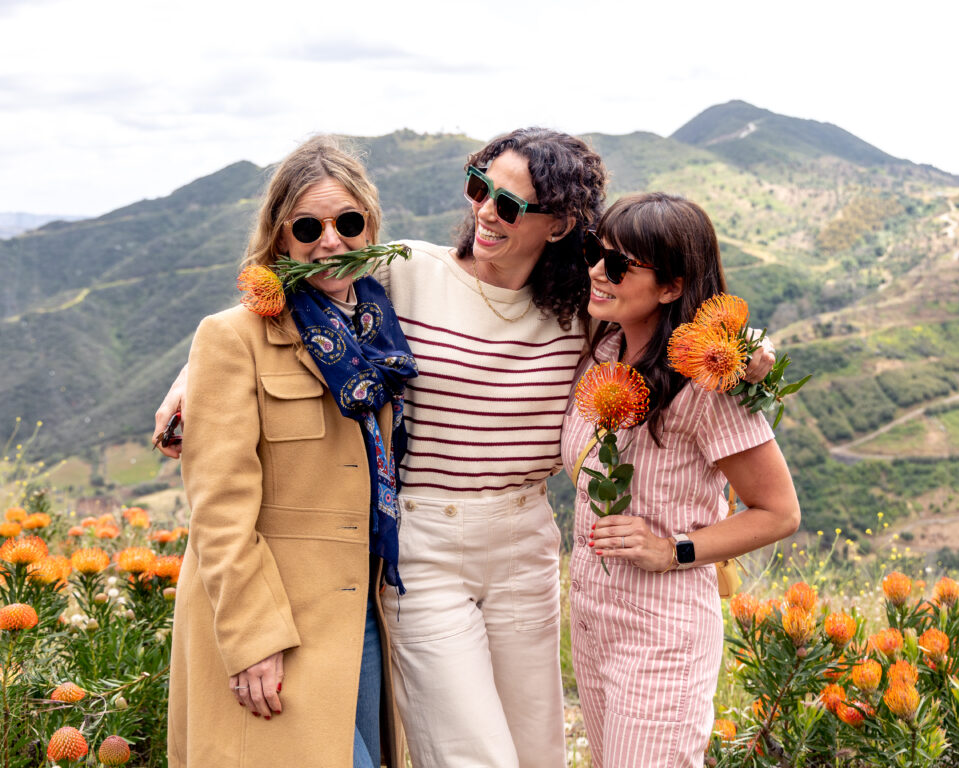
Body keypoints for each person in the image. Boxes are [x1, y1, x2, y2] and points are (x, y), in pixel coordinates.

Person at [156, 128, 777, 768]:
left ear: (560, 224)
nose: (484, 210)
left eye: (509, 205)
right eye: (479, 187)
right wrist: (188, 379)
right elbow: (297, 291)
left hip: (524, 543)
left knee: (538, 752)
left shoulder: (583, 308)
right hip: (425, 542)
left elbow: (673, 315)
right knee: (469, 754)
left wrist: (756, 353)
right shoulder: (409, 272)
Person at [166, 135, 413, 768]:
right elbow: (218, 510)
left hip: (359, 614)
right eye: (308, 226)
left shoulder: (383, 328)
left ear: (370, 228)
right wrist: (253, 639)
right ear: (280, 238)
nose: (330, 240)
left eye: (347, 222)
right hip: (275, 615)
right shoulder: (233, 337)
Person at [562, 193, 800, 768]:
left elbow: (779, 511)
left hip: (661, 633)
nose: (598, 271)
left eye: (619, 266)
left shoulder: (705, 387)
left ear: (671, 287)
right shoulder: (603, 350)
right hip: (593, 623)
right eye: (598, 254)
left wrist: (673, 550)